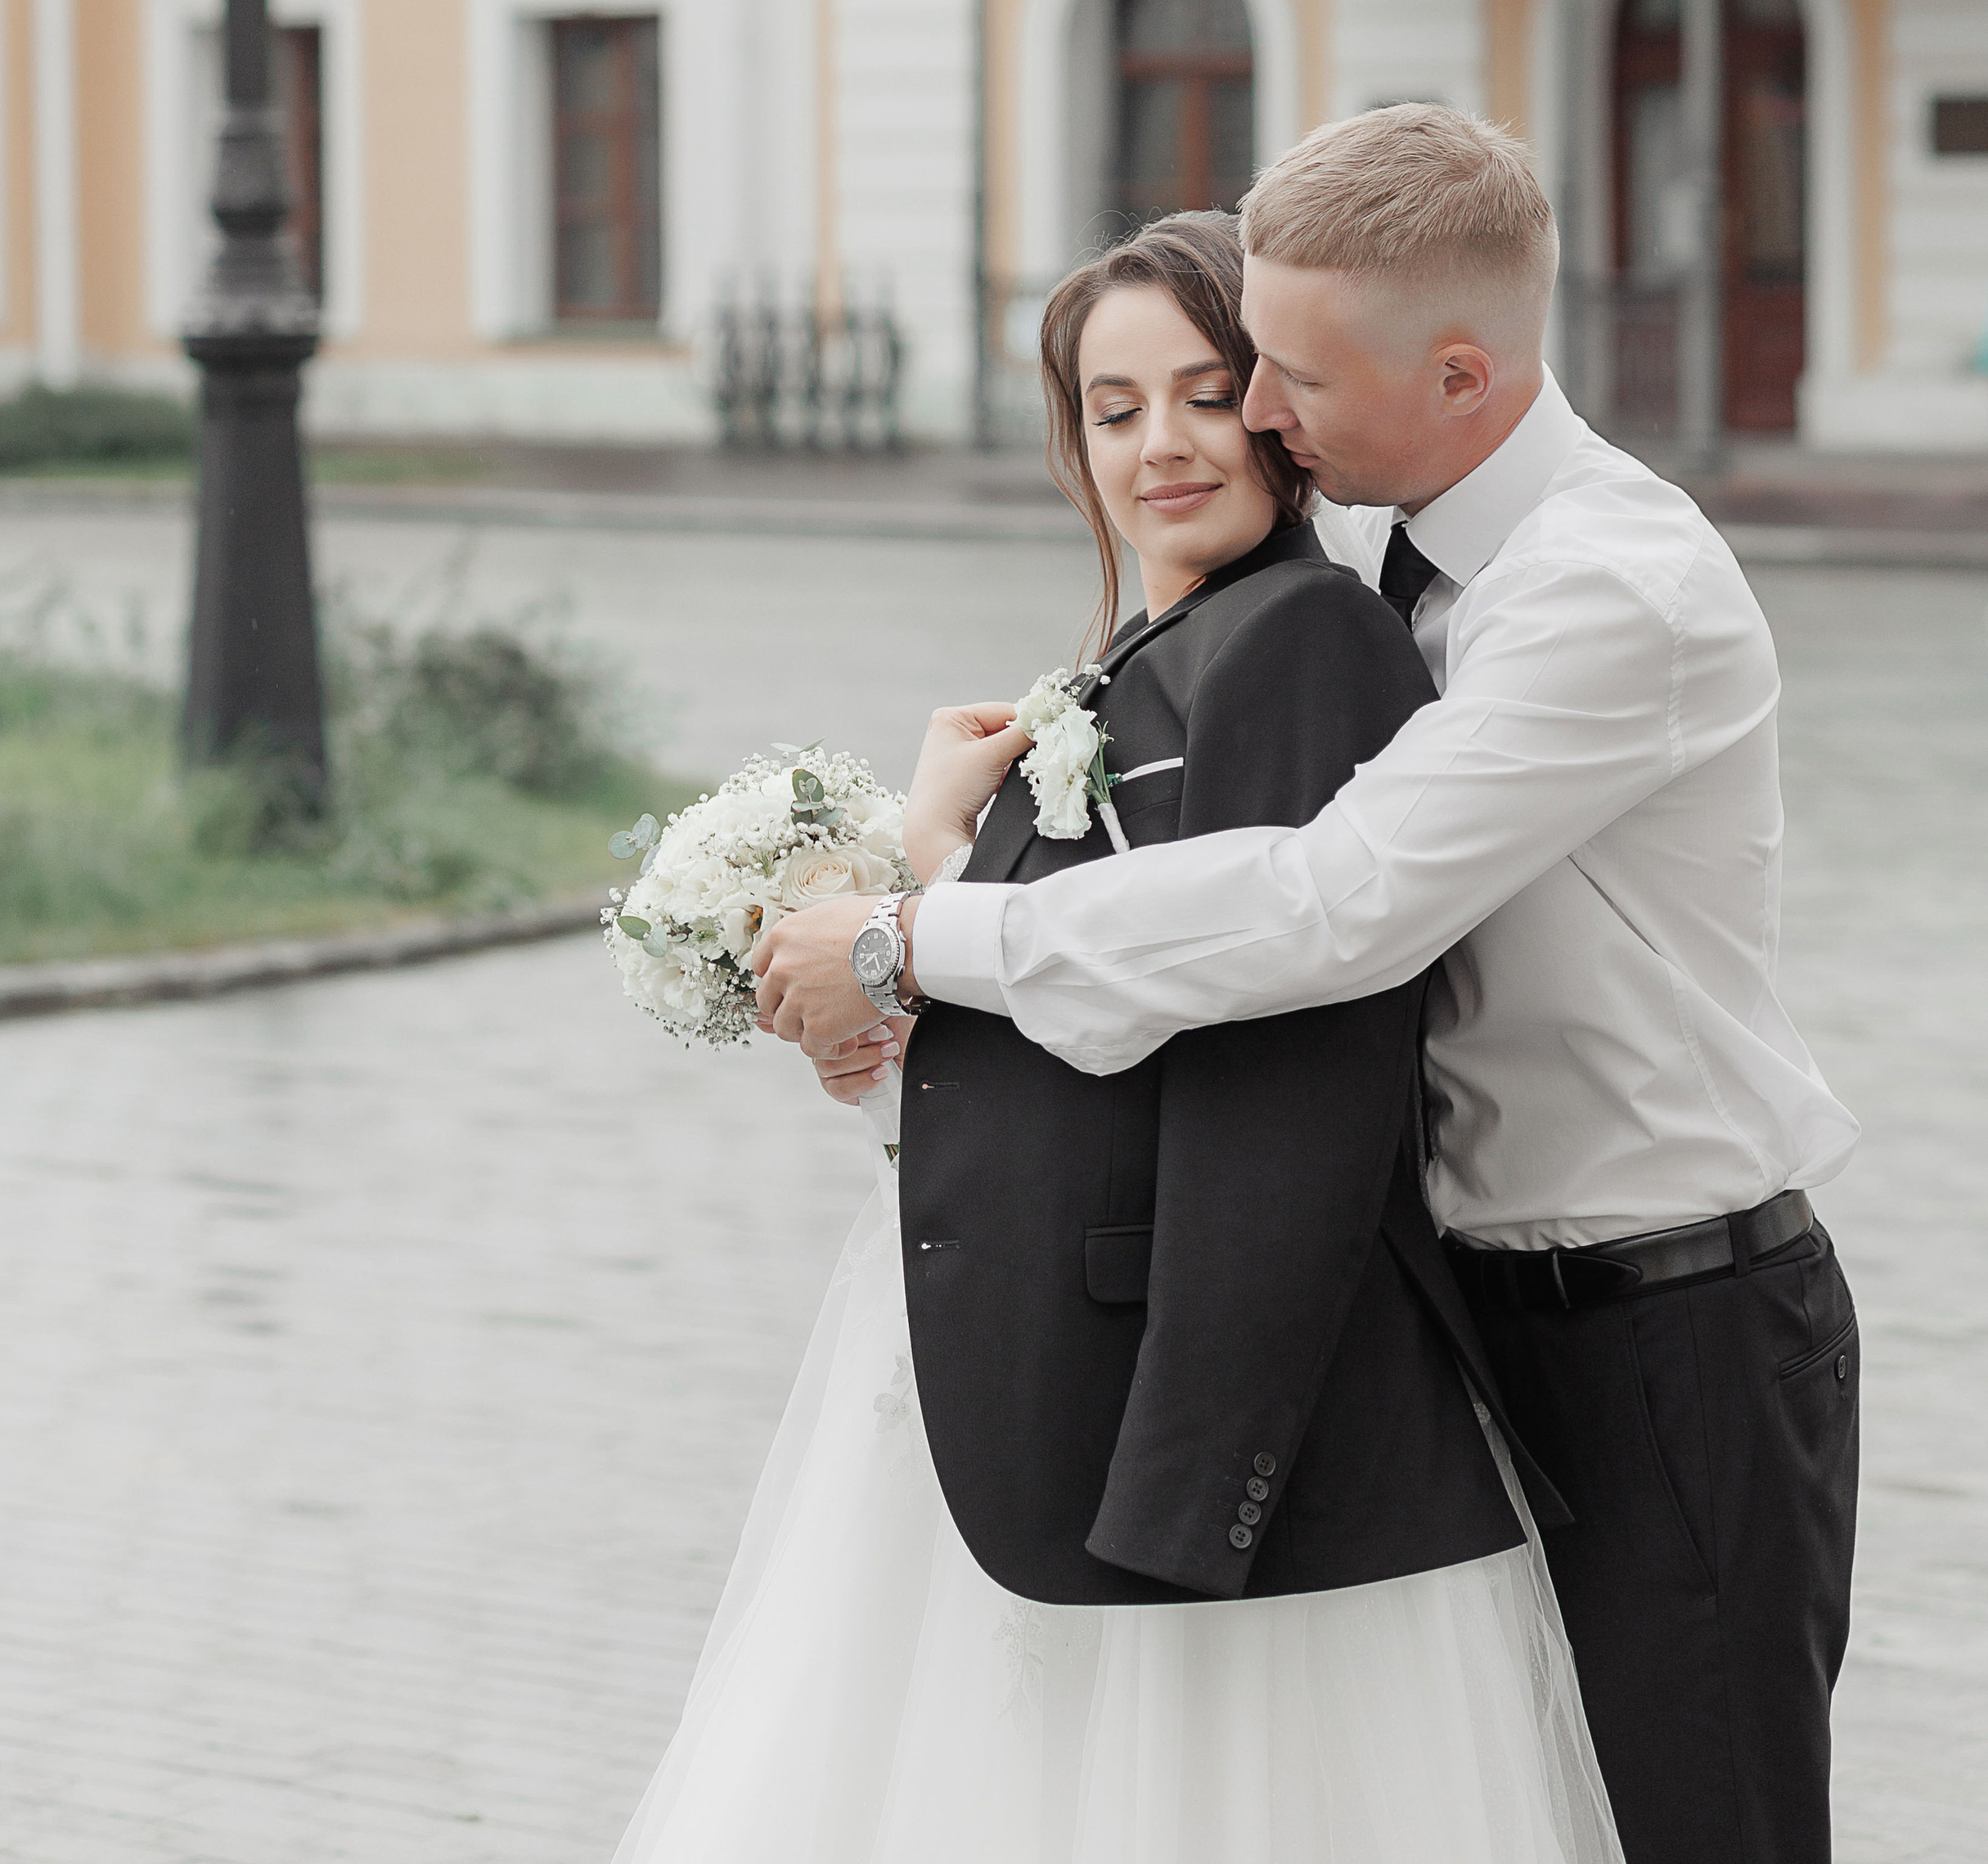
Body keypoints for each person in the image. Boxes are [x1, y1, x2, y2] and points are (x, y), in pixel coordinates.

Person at [757, 107, 1859, 1864]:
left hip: (1666, 1330)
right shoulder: (1378, 562)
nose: (1254, 415)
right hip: (1465, 1314)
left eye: (1285, 379)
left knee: (1697, 1830)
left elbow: (1322, 911)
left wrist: (909, 941)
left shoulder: (1607, 591)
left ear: (1459, 369)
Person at [619, 211, 1622, 1864]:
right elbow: (1071, 1017)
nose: (1157, 444)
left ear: (1279, 413)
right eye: (1109, 407)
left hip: (1180, 1417)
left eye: (1205, 393)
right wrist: (903, 948)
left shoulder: (1301, 642)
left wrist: (1193, 1480)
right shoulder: (1142, 659)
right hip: (1017, 1371)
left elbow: (1290, 1084)